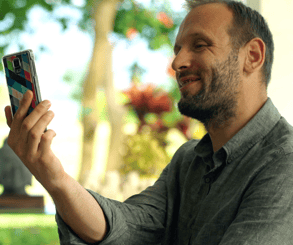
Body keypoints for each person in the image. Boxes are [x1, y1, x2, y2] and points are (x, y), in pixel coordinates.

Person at [4, 0, 293, 244]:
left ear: (252, 56)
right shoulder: (188, 161)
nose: (177, 62)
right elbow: (130, 226)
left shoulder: (285, 163)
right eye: (177, 49)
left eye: (200, 45)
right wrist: (54, 179)